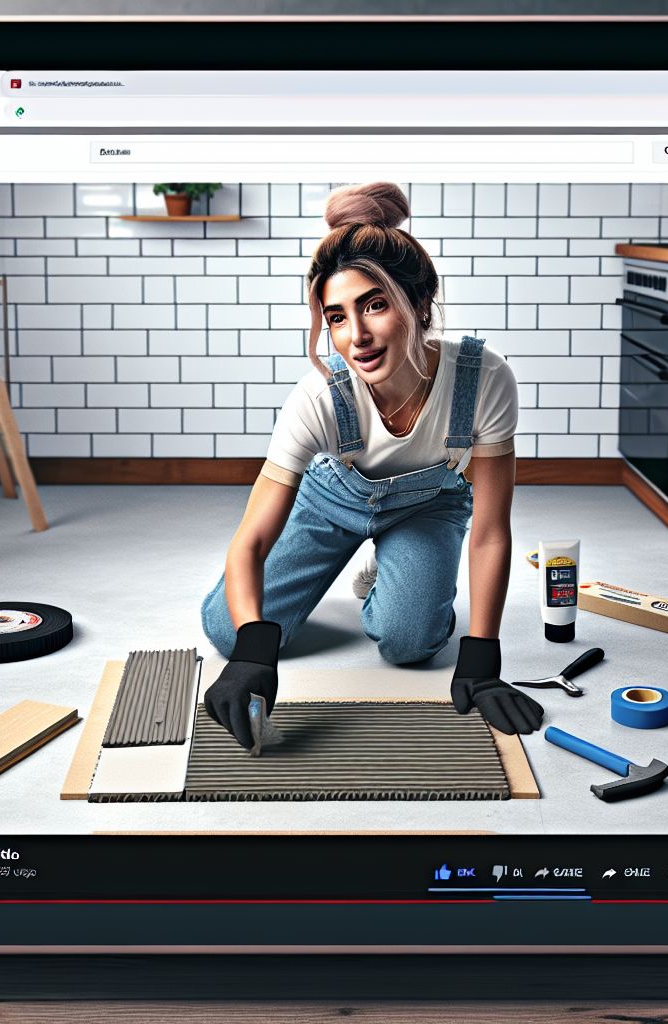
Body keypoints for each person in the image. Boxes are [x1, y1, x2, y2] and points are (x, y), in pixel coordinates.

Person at [199, 182, 544, 750]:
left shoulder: (483, 379)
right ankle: (364, 571)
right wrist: (252, 653)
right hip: (330, 501)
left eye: (374, 305)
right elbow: (250, 541)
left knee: (409, 643)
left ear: (420, 304)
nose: (355, 336)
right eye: (336, 317)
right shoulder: (317, 399)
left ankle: (390, 578)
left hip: (429, 509)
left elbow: (489, 533)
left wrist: (482, 656)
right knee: (226, 627)